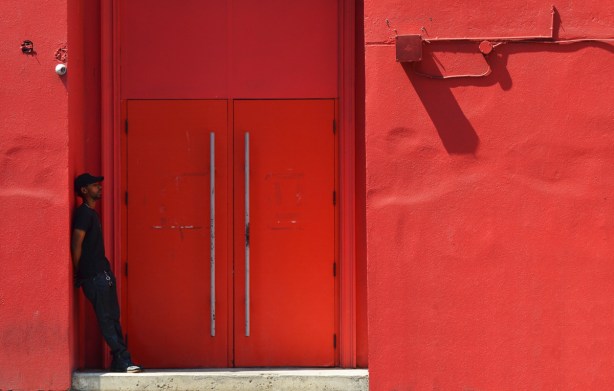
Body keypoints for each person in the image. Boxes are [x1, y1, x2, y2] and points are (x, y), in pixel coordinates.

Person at [71, 173, 142, 373]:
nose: (99, 188)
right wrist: (79, 271)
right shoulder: (83, 214)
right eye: (95, 185)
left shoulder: (92, 213)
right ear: (84, 191)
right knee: (106, 318)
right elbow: (76, 243)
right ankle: (123, 360)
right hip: (94, 276)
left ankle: (120, 360)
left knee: (112, 317)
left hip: (103, 274)